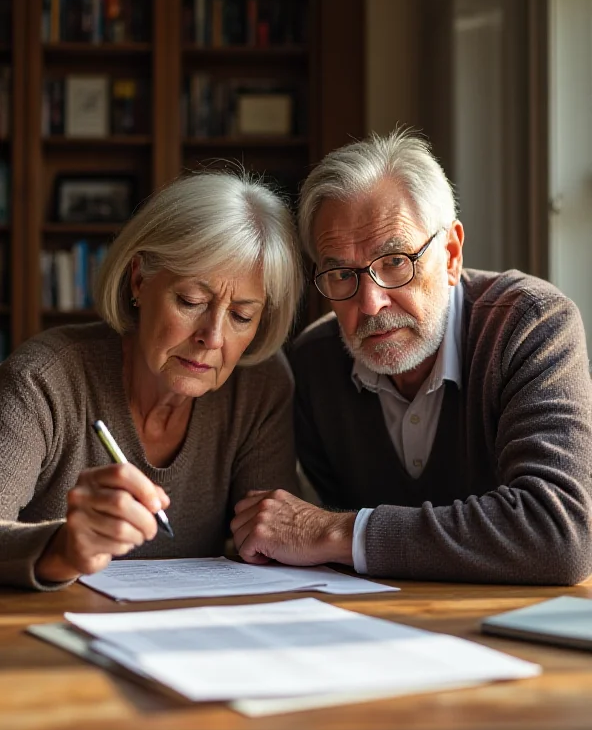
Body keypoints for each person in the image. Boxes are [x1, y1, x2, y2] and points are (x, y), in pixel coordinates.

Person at [231, 129, 592, 585]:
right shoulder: (314, 367)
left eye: (396, 261)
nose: (370, 304)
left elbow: (560, 536)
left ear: (452, 255)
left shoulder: (530, 325)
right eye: (341, 273)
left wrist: (331, 529)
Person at [0, 170, 302, 590]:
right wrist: (63, 549)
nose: (212, 338)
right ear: (139, 279)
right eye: (191, 301)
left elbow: (272, 540)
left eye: (241, 316)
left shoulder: (258, 386)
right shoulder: (43, 380)